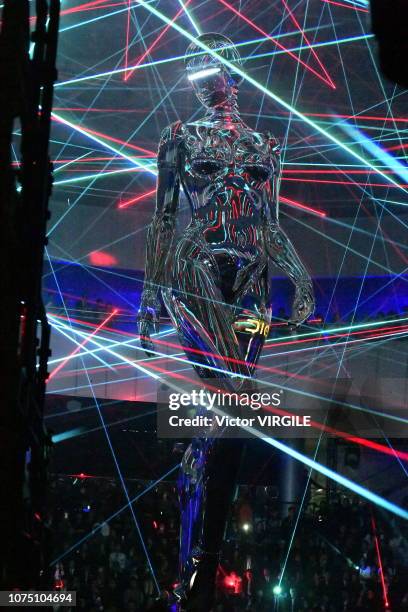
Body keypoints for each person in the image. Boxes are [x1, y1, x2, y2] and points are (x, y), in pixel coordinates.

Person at [138, 32, 314, 611]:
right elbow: (165, 219)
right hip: (197, 273)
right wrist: (149, 294)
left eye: (214, 64)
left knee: (233, 409)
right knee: (231, 396)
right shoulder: (180, 138)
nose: (208, 75)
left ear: (234, 72)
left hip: (255, 288)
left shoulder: (268, 145)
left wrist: (301, 279)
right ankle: (201, 566)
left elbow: (271, 223)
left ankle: (199, 557)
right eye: (198, 67)